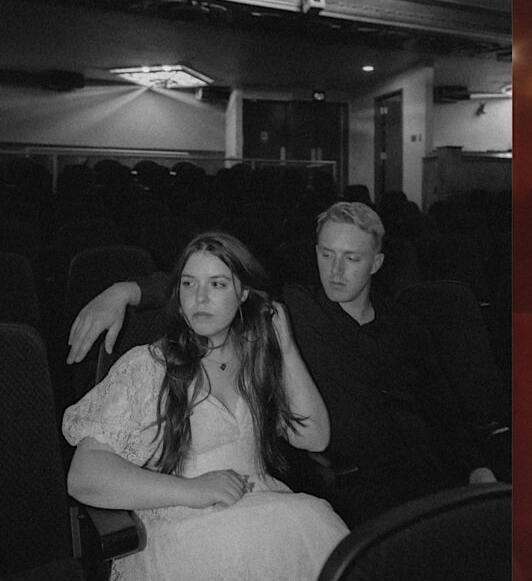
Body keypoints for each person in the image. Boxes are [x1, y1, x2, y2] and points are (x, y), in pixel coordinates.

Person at [67, 202, 493, 526]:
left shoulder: (407, 326)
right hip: (346, 482)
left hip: (421, 470)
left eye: (352, 258)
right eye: (326, 255)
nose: (336, 271)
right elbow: (211, 285)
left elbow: (442, 408)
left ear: (377, 263)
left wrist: (476, 466)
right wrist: (125, 290)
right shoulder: (294, 307)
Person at [63, 232, 348, 581]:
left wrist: (286, 345)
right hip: (183, 526)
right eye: (188, 283)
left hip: (262, 511)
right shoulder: (150, 365)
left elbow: (314, 437)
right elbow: (83, 477)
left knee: (312, 522)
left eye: (217, 284)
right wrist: (194, 490)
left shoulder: (256, 356)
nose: (200, 297)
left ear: (243, 293)